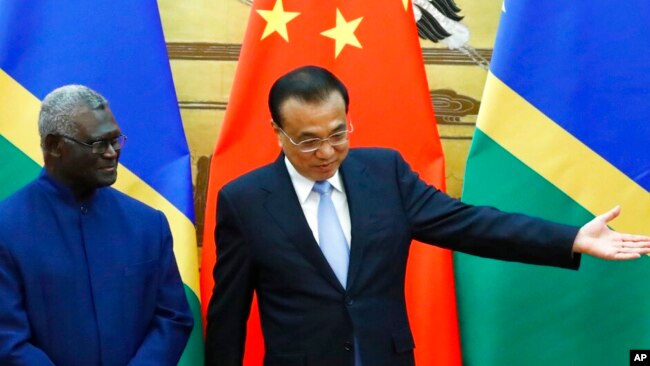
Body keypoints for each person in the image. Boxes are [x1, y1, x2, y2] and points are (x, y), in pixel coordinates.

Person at [204, 65, 650, 366]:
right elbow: (229, 314)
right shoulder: (245, 200)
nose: (326, 152)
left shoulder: (384, 173)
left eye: (338, 134)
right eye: (307, 140)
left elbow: (471, 224)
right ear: (277, 133)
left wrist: (571, 238)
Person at [0, 85, 193, 365]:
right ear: (55, 146)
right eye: (98, 143)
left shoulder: (149, 225)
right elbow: (7, 338)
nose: (112, 153)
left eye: (115, 140)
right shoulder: (7, 227)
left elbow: (172, 317)